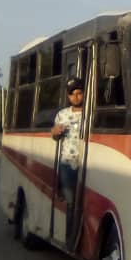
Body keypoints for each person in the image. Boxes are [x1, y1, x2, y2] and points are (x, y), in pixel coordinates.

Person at [51, 77, 84, 205]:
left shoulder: (92, 114)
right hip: (67, 164)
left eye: (79, 93)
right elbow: (55, 137)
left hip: (87, 165)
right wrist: (55, 133)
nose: (75, 97)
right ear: (68, 96)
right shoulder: (61, 114)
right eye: (72, 94)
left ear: (84, 93)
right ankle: (70, 225)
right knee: (71, 203)